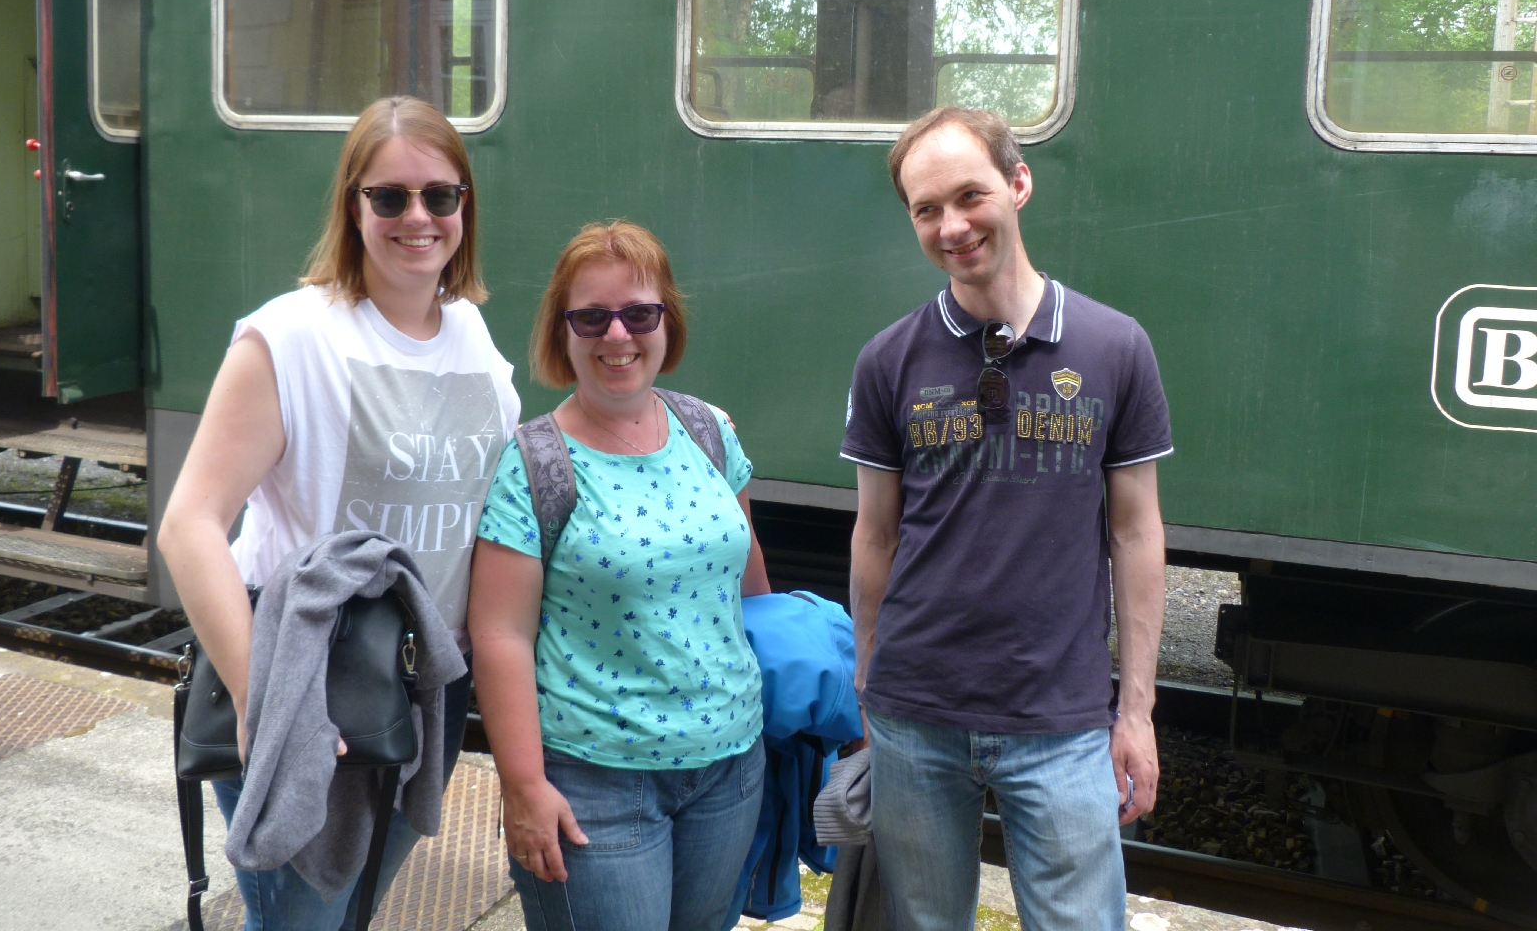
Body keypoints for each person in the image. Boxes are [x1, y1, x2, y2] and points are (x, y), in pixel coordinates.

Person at [157, 95, 520, 931]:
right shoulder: (291, 338)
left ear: (467, 204)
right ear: (353, 207)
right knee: (303, 921)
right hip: (306, 682)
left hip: (414, 691)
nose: (417, 217)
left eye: (441, 195)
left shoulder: (472, 336)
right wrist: (267, 707)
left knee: (349, 915)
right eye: (388, 196)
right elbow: (190, 523)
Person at [842, 106, 1170, 931]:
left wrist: (1135, 712)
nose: (952, 226)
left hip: (1058, 721)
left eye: (970, 196)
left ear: (1019, 184)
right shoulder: (889, 360)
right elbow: (876, 534)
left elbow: (1135, 534)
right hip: (916, 716)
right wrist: (869, 686)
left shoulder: (1115, 346)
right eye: (926, 209)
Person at [470, 220, 771, 931]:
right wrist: (523, 787)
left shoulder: (709, 432)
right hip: (597, 785)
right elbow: (499, 635)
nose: (617, 335)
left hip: (729, 773)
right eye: (591, 316)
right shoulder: (534, 463)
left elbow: (748, 585)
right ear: (561, 329)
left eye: (638, 313)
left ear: (667, 320)